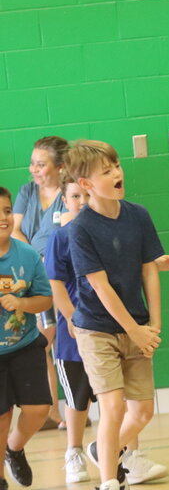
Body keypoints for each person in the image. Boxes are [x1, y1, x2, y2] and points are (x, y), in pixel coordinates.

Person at [45, 176, 169, 485]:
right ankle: (88, 463)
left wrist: (152, 322)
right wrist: (72, 318)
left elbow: (138, 266)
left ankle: (113, 452)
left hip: (130, 323)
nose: (78, 201)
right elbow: (64, 285)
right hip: (89, 328)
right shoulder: (70, 233)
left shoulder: (134, 216)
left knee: (136, 409)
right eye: (72, 196)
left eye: (117, 164)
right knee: (88, 402)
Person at [12, 135, 69, 429]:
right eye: (33, 163)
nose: (34, 169)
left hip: (60, 277)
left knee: (51, 341)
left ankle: (65, 409)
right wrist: (35, 260)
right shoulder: (26, 192)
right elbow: (15, 230)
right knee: (41, 344)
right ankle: (51, 412)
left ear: (60, 167)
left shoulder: (70, 194)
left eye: (41, 164)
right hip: (31, 276)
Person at [0, 186, 53, 490]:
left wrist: (20, 303)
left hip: (24, 345)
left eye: (7, 211)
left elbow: (44, 300)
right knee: (2, 415)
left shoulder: (28, 255)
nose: (3, 218)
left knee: (37, 410)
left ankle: (15, 448)